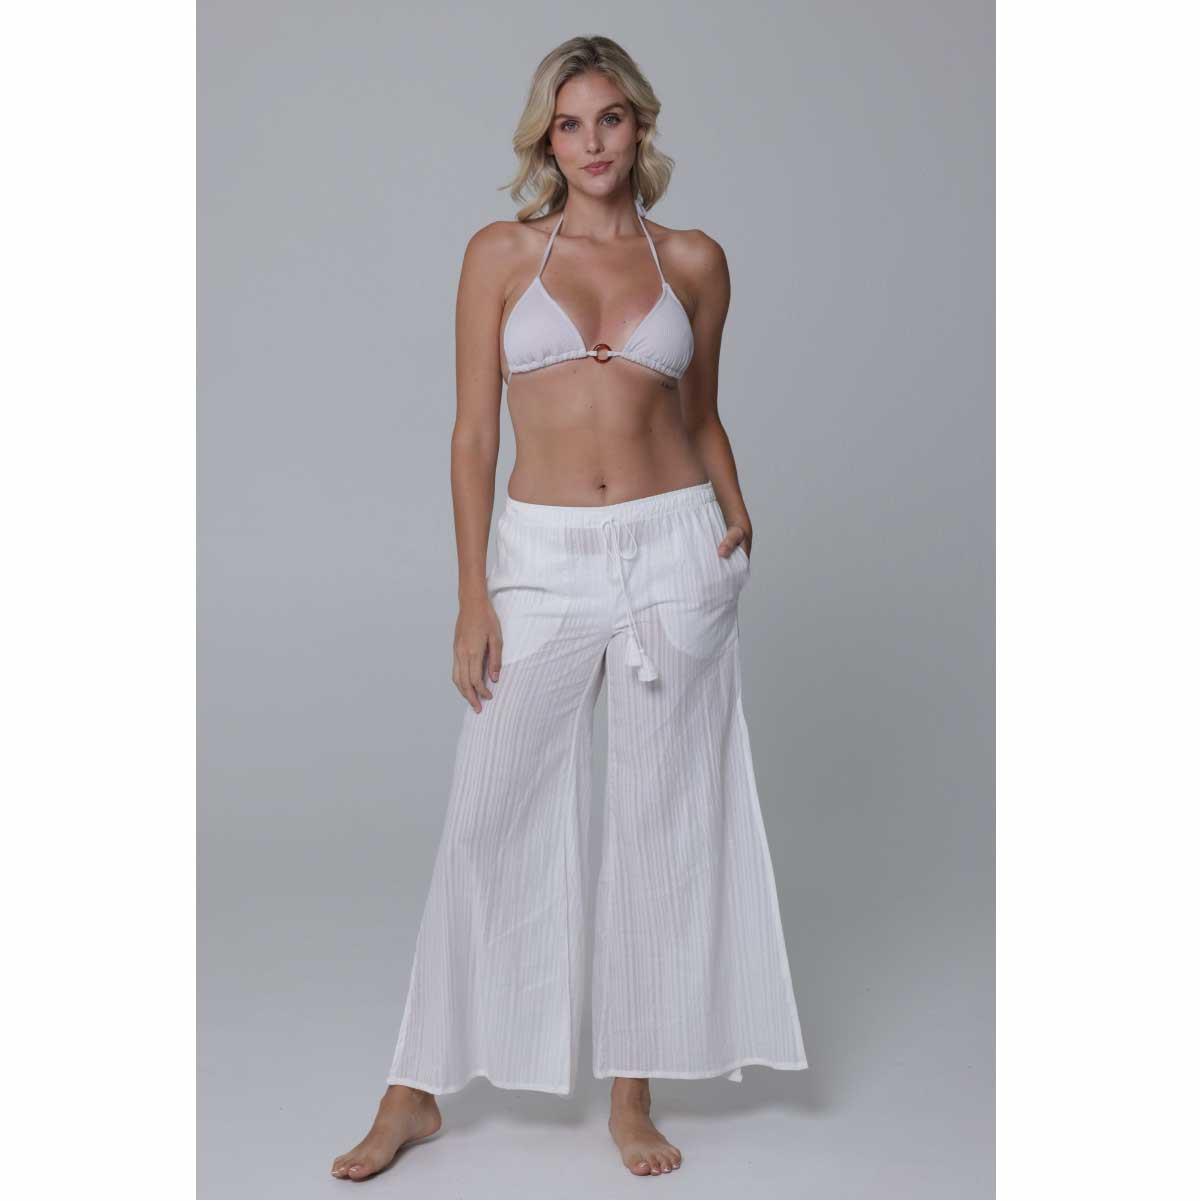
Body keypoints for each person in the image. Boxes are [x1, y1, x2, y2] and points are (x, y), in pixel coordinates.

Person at [331, 34, 807, 1184]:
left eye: (611, 118)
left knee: (661, 825)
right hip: (541, 559)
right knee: (487, 818)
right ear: (546, 139)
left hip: (675, 550)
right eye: (570, 123)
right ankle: (414, 1090)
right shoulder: (500, 254)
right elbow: (472, 434)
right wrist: (472, 595)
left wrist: (737, 506)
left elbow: (700, 413)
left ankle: (632, 1091)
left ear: (641, 124)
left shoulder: (693, 260)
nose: (593, 142)